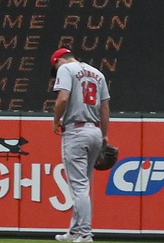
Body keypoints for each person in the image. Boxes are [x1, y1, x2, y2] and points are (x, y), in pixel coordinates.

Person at [51, 47, 110, 243]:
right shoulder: (98, 73)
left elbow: (63, 98)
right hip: (95, 131)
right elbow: (105, 108)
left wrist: (56, 120)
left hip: (76, 131)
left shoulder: (65, 68)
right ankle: (75, 231)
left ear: (58, 60)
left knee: (79, 186)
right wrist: (104, 135)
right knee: (84, 184)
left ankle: (85, 233)